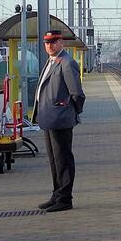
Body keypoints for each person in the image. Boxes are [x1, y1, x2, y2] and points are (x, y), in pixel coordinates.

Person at [34, 30, 85, 212]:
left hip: (60, 119)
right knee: (54, 160)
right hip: (49, 119)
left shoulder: (67, 63)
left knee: (63, 159)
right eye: (47, 42)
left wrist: (70, 111)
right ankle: (57, 195)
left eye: (54, 42)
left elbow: (77, 93)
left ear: (61, 43)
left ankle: (65, 198)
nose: (50, 45)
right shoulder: (51, 61)